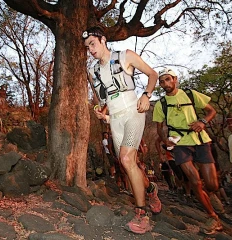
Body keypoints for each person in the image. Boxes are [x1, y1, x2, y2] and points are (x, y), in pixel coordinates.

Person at [83, 26, 160, 234]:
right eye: (87, 46)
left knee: (127, 159)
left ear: (103, 40)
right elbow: (101, 98)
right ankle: (151, 189)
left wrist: (146, 95)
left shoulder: (125, 56)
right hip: (114, 119)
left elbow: (153, 74)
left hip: (133, 111)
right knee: (128, 164)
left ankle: (141, 214)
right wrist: (100, 110)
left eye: (92, 43)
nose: (90, 49)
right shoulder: (93, 71)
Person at [153, 68, 222, 235]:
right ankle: (212, 216)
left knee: (212, 184)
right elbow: (159, 127)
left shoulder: (190, 94)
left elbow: (211, 110)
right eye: (162, 81)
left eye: (168, 79)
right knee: (195, 182)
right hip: (180, 144)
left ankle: (209, 193)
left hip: (200, 140)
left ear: (175, 79)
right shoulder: (160, 104)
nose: (165, 84)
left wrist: (203, 121)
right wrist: (165, 140)